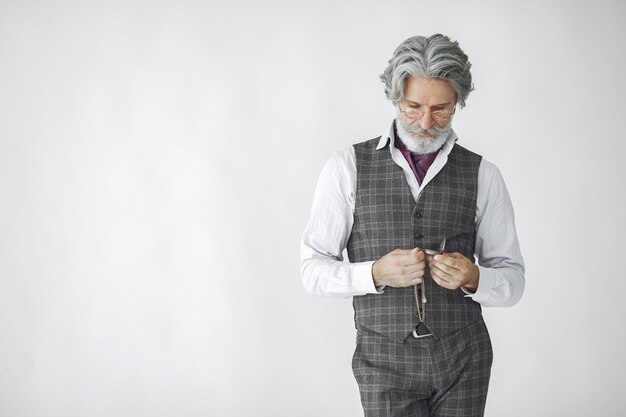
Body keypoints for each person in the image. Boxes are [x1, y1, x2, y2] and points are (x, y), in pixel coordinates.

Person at [300, 34, 525, 416]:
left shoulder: (484, 174)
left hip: (464, 360)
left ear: (458, 103)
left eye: (441, 109)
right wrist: (374, 273)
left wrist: (474, 277)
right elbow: (312, 270)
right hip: (382, 361)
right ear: (394, 97)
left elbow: (513, 281)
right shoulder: (346, 167)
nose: (425, 122)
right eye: (413, 106)